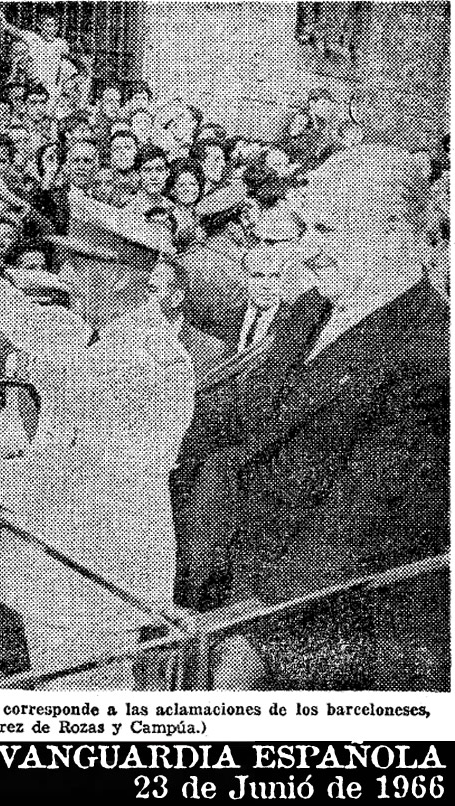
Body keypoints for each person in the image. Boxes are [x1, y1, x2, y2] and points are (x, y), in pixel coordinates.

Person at [172, 144, 449, 690]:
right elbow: (213, 442)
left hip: (301, 643)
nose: (301, 243)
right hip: (214, 621)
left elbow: (374, 540)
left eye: (328, 225)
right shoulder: (299, 317)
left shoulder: (429, 353)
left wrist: (248, 638)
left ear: (412, 227)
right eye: (301, 224)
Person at [146, 256, 230, 383]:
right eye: (148, 290)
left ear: (176, 298)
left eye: (154, 291)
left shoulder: (211, 350)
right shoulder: (132, 338)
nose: (147, 300)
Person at [215, 246, 289, 352]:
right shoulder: (230, 316)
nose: (267, 285)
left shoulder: (292, 320)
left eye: (274, 276)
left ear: (282, 279)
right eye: (258, 276)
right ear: (245, 279)